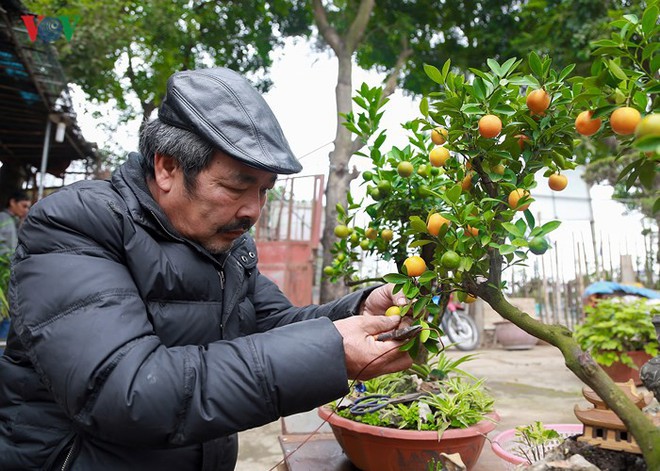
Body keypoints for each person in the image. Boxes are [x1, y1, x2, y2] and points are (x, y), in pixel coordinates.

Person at [0, 68, 413, 470]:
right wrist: (331, 350)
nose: (253, 210)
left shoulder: (227, 245)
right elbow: (126, 391)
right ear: (167, 168)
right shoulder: (76, 225)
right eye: (236, 186)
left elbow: (277, 326)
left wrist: (356, 313)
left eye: (264, 191)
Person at [0, 190, 30, 256]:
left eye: (28, 207)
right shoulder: (3, 218)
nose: (26, 210)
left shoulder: (15, 221)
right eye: (24, 206)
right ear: (12, 202)